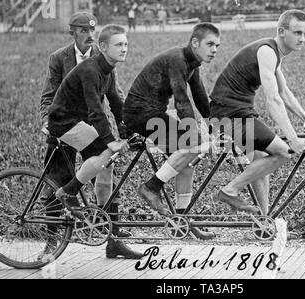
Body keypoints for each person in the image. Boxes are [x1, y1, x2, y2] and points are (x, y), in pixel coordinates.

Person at [209, 9, 305, 215]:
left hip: (238, 111)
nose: (302, 38)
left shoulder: (273, 52)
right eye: (297, 33)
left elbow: (284, 92)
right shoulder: (267, 51)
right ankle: (229, 190)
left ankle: (264, 220)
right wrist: (293, 138)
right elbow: (274, 99)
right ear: (281, 31)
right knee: (283, 152)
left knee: (260, 158)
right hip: (229, 113)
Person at [47, 24, 143, 259]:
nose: (124, 49)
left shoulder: (109, 70)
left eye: (126, 44)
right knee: (105, 153)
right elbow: (95, 111)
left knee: (107, 165)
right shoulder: (91, 70)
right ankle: (68, 193)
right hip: (63, 121)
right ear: (103, 47)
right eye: (119, 44)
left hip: (78, 121)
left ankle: (111, 235)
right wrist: (110, 140)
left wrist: (129, 131)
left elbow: (116, 103)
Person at [122, 23, 221, 240]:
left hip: (152, 113)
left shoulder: (193, 63)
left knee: (186, 160)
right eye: (210, 44)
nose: (214, 49)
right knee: (191, 146)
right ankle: (151, 187)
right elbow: (182, 101)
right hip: (139, 113)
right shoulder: (178, 59)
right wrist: (193, 136)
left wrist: (217, 126)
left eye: (217, 45)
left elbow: (201, 99)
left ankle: (181, 221)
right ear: (195, 43)